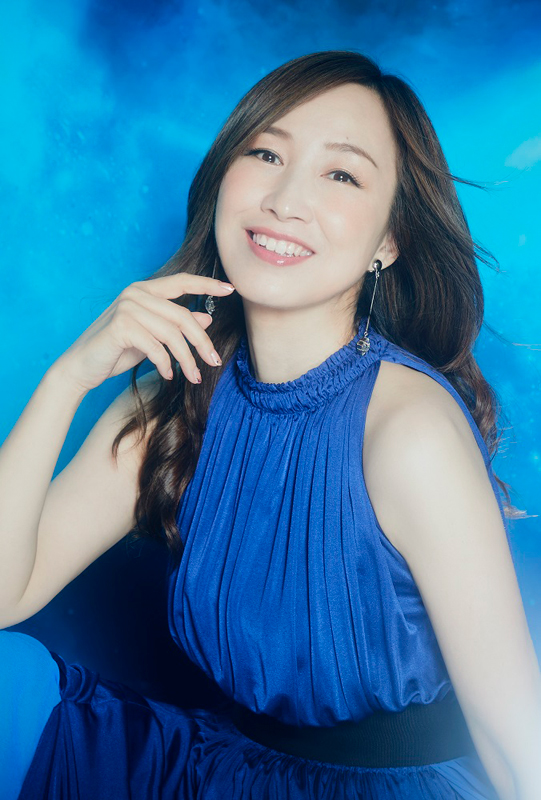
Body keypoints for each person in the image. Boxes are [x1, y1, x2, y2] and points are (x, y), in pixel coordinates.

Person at [0, 49, 539, 800]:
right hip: (230, 770)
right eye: (265, 154)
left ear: (389, 241)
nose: (286, 199)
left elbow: (518, 743)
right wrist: (68, 378)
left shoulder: (407, 427)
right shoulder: (178, 397)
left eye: (341, 175)